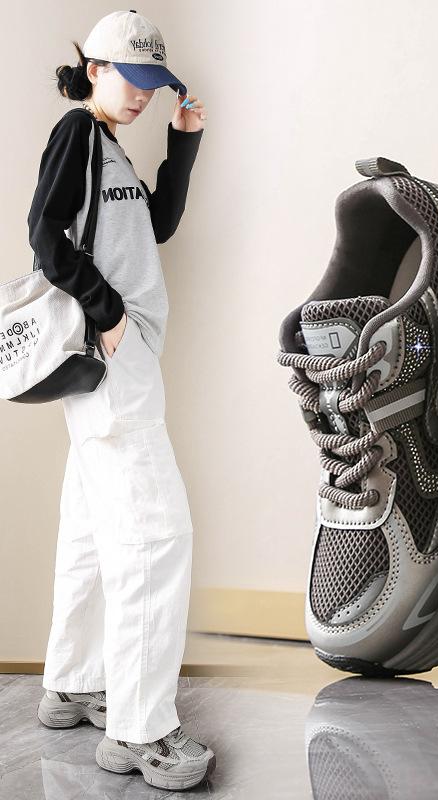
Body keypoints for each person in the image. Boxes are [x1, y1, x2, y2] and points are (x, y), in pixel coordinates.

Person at [27, 10, 214, 792]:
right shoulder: (78, 131)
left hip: (117, 363)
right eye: (131, 80)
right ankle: (141, 730)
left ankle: (73, 682)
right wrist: (107, 316)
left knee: (91, 529)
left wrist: (182, 142)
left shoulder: (111, 146)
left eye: (152, 84)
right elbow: (45, 235)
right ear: (96, 68)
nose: (141, 95)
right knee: (155, 538)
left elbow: (156, 226)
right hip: (116, 361)